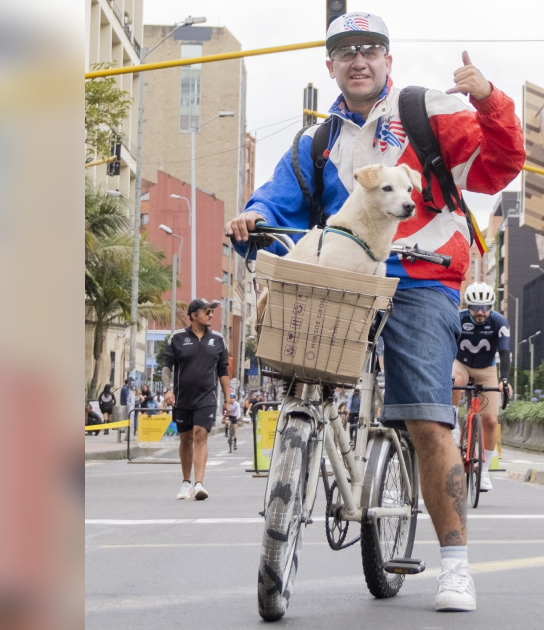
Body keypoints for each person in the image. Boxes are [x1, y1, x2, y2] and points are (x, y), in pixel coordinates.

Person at [226, 12, 524, 613]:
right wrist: (254, 217)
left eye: (370, 49)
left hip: (421, 278)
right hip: (342, 276)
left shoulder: (426, 110)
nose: (358, 60)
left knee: (426, 418)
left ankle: (456, 566)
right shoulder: (318, 141)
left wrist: (489, 99)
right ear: (330, 65)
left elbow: (499, 165)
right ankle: (311, 443)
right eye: (345, 51)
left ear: (388, 59)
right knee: (301, 378)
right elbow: (278, 201)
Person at [161, 298, 230, 501]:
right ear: (193, 315)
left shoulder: (218, 339)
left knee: (200, 435)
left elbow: (223, 371)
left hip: (207, 398)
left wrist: (228, 399)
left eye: (212, 311)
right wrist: (167, 390)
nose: (211, 315)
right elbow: (167, 366)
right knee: (185, 439)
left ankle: (199, 484)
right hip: (183, 398)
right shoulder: (177, 338)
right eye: (207, 311)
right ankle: (186, 482)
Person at [450, 282, 512, 493]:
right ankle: (454, 425)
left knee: (491, 421)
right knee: (455, 380)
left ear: (491, 306)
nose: (480, 312)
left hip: (486, 369)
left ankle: (484, 471)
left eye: (485, 307)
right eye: (475, 307)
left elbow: (505, 353)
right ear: (467, 306)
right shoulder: (458, 318)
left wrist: (504, 380)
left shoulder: (499, 322)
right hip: (461, 363)